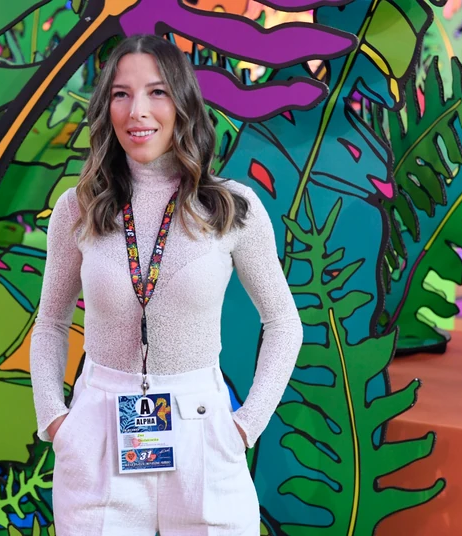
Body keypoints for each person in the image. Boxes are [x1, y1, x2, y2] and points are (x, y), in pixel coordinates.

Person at [29, 33, 303, 536]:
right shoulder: (78, 208)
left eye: (156, 92)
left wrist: (244, 427)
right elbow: (50, 322)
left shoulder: (230, 207)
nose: (138, 111)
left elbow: (284, 323)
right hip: (98, 437)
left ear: (182, 101)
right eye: (121, 94)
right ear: (106, 106)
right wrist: (57, 423)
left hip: (204, 437)